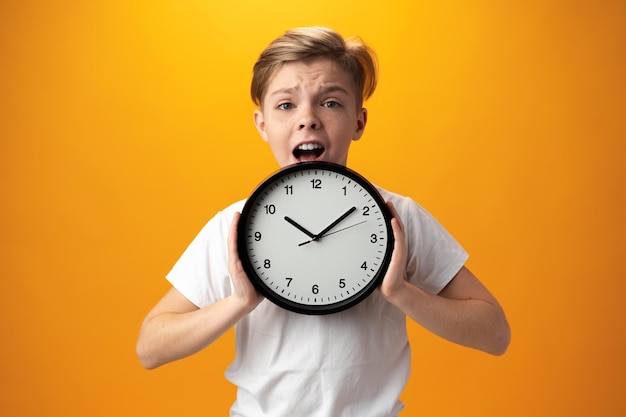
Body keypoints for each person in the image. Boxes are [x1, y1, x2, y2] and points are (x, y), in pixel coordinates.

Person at [136, 26, 510, 416]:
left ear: (358, 122)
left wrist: (401, 292)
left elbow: (496, 333)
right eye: (286, 105)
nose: (308, 120)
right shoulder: (235, 226)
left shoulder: (399, 219)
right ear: (262, 124)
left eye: (330, 103)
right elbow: (150, 348)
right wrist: (239, 301)